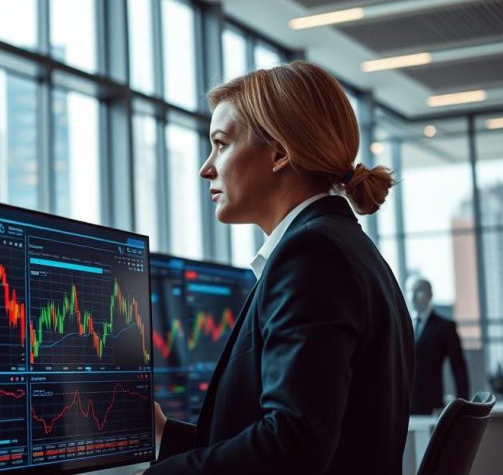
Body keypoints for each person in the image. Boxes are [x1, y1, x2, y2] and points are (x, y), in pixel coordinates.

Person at [145, 61, 414, 474]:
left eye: (221, 143)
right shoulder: (345, 246)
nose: (206, 168)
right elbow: (304, 435)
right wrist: (165, 436)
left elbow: (293, 445)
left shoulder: (312, 255)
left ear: (279, 153)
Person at [407, 275, 470, 415]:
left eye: (418, 291)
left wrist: (462, 405)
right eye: (409, 291)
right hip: (403, 404)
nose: (413, 296)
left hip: (431, 404)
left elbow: (458, 368)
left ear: (430, 295)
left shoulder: (445, 327)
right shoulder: (401, 325)